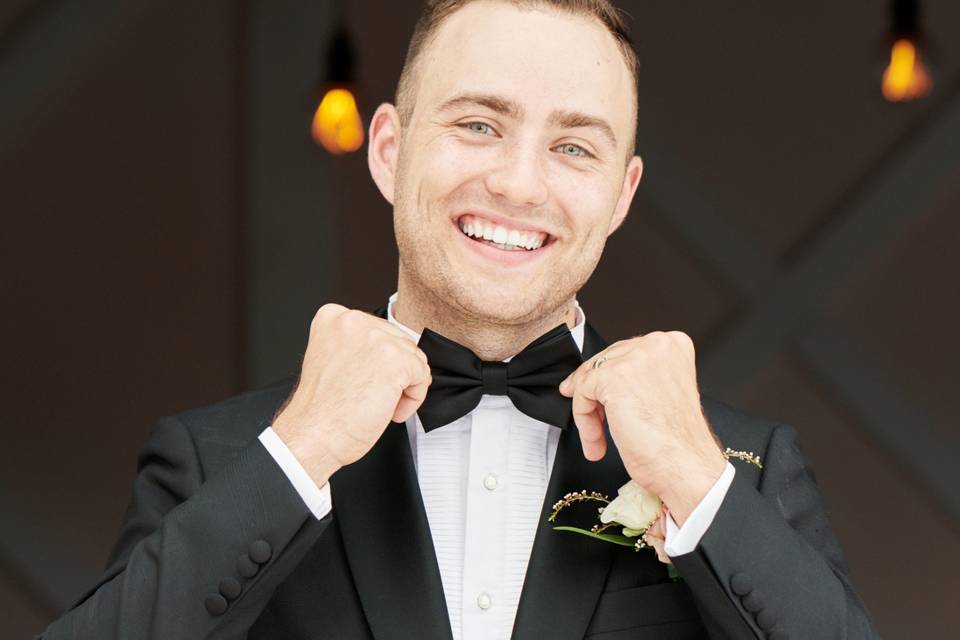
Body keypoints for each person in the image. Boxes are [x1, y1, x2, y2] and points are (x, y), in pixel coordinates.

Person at [40, 1, 878, 638]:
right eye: (478, 125)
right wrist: (298, 455)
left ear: (621, 196)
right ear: (389, 152)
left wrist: (700, 488)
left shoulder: (749, 472)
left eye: (574, 146)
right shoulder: (217, 459)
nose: (519, 183)